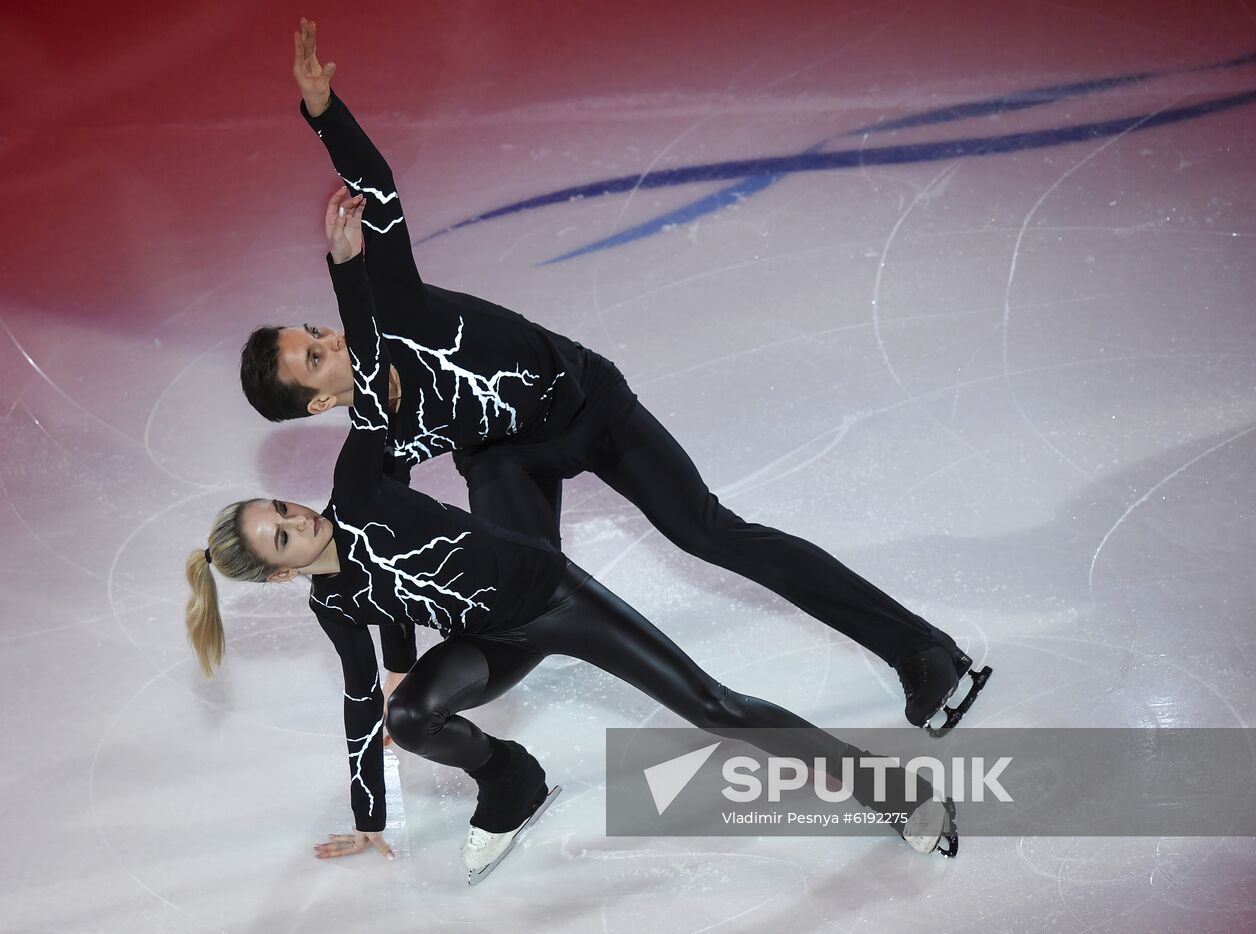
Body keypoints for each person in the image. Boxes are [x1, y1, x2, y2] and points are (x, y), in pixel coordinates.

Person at [238, 19, 991, 737]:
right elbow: (381, 547)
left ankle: (920, 650)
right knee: (518, 591)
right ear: (324, 401)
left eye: (316, 332)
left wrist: (322, 109)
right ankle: (509, 775)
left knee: (710, 532)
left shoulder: (391, 305)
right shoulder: (381, 441)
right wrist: (401, 679)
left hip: (589, 404)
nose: (330, 337)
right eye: (315, 357)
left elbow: (378, 186)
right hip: (506, 460)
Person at [187, 186, 959, 884]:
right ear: (285, 576)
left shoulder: (358, 480)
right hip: (493, 636)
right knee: (409, 717)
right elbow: (363, 690)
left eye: (282, 509)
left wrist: (346, 267)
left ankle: (890, 791)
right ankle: (511, 782)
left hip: (554, 597)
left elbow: (370, 386)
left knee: (714, 707)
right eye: (282, 538)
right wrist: (370, 817)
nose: (297, 519)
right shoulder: (332, 603)